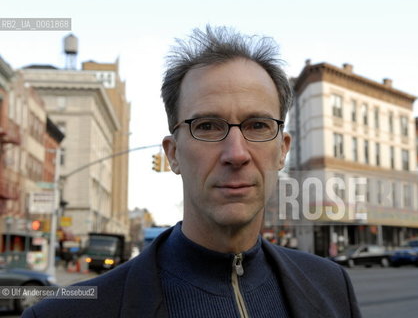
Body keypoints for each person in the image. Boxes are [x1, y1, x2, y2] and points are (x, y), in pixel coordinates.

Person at [24, 25, 362, 318]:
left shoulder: (332, 287)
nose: (236, 153)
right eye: (208, 126)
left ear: (282, 150)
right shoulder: (66, 312)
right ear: (173, 154)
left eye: (258, 125)